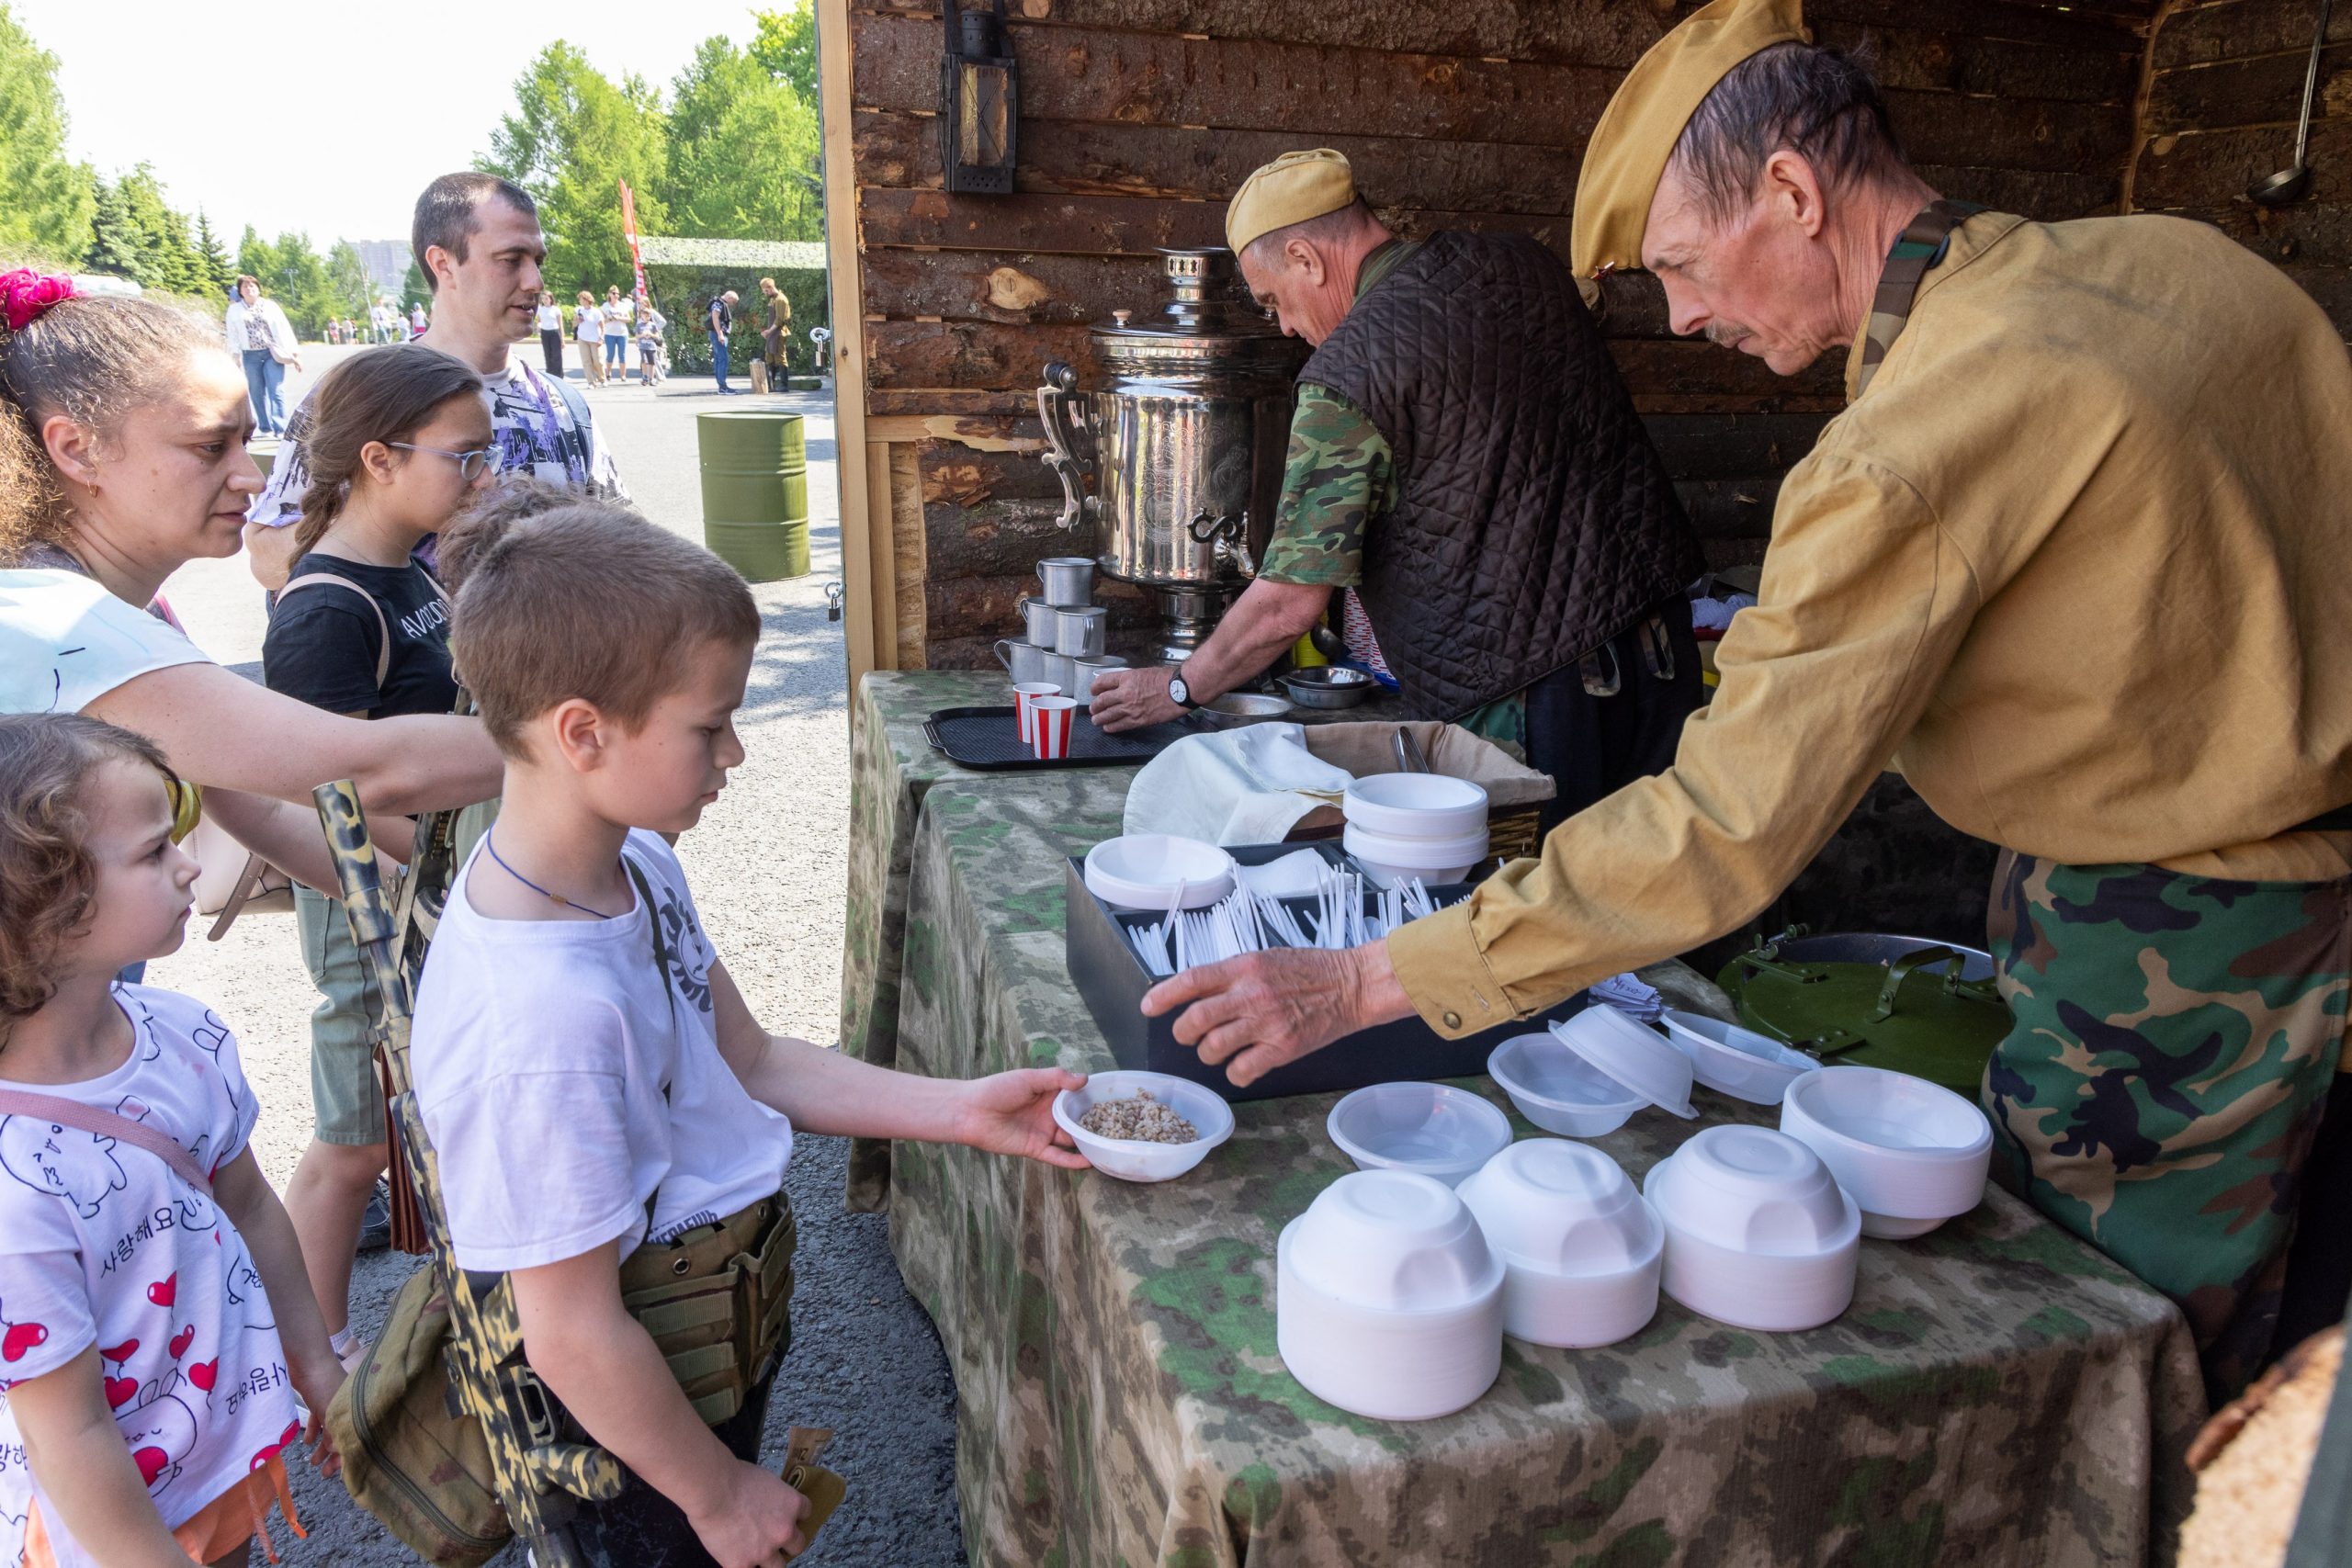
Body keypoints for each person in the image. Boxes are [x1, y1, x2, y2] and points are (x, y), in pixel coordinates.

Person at [1148, 0, 2352, 1406]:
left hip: (2183, 953)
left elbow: (1724, 824)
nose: (1682, 316)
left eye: (1679, 265)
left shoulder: (1902, 450)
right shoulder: (2183, 264)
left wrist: (1360, 977)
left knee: (2118, 1368)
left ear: (1791, 191)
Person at [407, 501, 1088, 1566]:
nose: (735, 751)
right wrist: (717, 1493)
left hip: (702, 1342)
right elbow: (574, 1333)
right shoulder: (537, 1020)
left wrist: (959, 1109)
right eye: (708, 724)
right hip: (628, 1432)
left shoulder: (633, 863)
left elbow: (752, 1060)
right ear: (582, 733)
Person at [1090, 151, 1703, 833]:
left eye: (1274, 302)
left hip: (1532, 694)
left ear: (1306, 258)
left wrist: (1178, 685)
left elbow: (1287, 604)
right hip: (1662, 649)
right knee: (1654, 896)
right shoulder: (1521, 262)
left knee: (1542, 911)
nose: (1287, 327)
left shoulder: (1350, 375)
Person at [0, 274, 503, 882]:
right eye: (211, 446)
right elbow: (368, 771)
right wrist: (595, 735)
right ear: (77, 450)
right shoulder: (64, 626)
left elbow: (260, 802)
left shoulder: (128, 611)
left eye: (245, 440)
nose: (253, 478)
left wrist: (428, 908)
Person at [0, 712, 345, 1568]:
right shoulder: (16, 1179)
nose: (191, 865)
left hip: (213, 1454)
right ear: (43, 903)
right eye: (156, 852)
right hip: (103, 1524)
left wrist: (319, 1365)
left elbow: (253, 1207)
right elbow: (68, 1430)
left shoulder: (185, 1037)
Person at [258, 345, 491, 1373]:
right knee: (352, 1137)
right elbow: (325, 805)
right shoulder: (324, 610)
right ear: (377, 459)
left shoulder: (411, 567)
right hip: (363, 906)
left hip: (424, 889)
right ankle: (325, 1356)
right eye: (462, 458)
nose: (478, 478)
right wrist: (470, 865)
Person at [243, 174, 627, 592]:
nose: (535, 281)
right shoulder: (360, 394)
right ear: (443, 263)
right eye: (511, 259)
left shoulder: (563, 405)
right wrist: (381, 526)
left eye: (538, 260)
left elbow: (622, 538)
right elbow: (266, 559)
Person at [221, 276, 300, 438]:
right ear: (241, 292)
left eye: (252, 286)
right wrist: (235, 356)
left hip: (272, 352)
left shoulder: (270, 306)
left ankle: (280, 427)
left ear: (258, 289)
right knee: (256, 391)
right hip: (250, 355)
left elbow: (284, 327)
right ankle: (265, 427)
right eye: (245, 287)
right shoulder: (235, 310)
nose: (249, 289)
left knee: (276, 390)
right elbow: (233, 334)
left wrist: (293, 352)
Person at [758, 276, 790, 379]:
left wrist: (768, 331)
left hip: (779, 332)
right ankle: (770, 384)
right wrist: (767, 331)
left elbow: (780, 319)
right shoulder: (773, 299)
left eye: (766, 291)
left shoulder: (781, 299)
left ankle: (784, 385)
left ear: (771, 287)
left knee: (780, 358)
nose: (765, 293)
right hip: (772, 333)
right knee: (769, 358)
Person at [601, 285, 633, 386]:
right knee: (610, 354)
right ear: (609, 294)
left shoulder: (623, 306)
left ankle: (623, 375)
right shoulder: (605, 306)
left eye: (618, 294)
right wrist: (609, 318)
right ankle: (608, 372)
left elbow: (629, 319)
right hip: (610, 333)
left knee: (622, 355)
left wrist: (618, 318)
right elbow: (601, 321)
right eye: (614, 293)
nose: (616, 295)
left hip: (622, 333)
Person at [573, 289, 605, 389]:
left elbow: (602, 327)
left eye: (582, 299)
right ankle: (591, 382)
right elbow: (574, 325)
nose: (580, 301)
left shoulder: (596, 312)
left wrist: (601, 338)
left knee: (597, 361)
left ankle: (602, 379)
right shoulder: (579, 310)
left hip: (594, 339)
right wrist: (577, 321)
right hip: (582, 338)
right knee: (586, 361)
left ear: (587, 300)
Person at [708, 290, 738, 395]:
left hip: (717, 334)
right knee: (723, 359)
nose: (732, 304)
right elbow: (715, 318)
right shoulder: (718, 303)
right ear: (729, 298)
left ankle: (722, 385)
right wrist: (720, 334)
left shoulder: (719, 303)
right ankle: (722, 387)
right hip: (718, 335)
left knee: (719, 359)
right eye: (733, 302)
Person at [534, 289, 565, 379]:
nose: (544, 300)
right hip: (545, 332)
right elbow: (539, 321)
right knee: (547, 354)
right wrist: (538, 327)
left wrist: (562, 339)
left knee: (556, 355)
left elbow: (560, 325)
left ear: (551, 299)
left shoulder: (556, 310)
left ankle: (559, 375)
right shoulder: (541, 310)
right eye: (543, 298)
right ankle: (550, 374)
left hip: (554, 332)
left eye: (546, 298)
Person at [636, 300, 665, 389]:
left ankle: (653, 378)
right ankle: (645, 377)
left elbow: (662, 323)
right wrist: (641, 337)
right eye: (640, 304)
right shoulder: (639, 322)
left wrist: (651, 334)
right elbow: (637, 334)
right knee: (644, 361)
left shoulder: (652, 322)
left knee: (653, 362)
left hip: (651, 345)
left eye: (643, 304)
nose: (641, 305)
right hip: (643, 345)